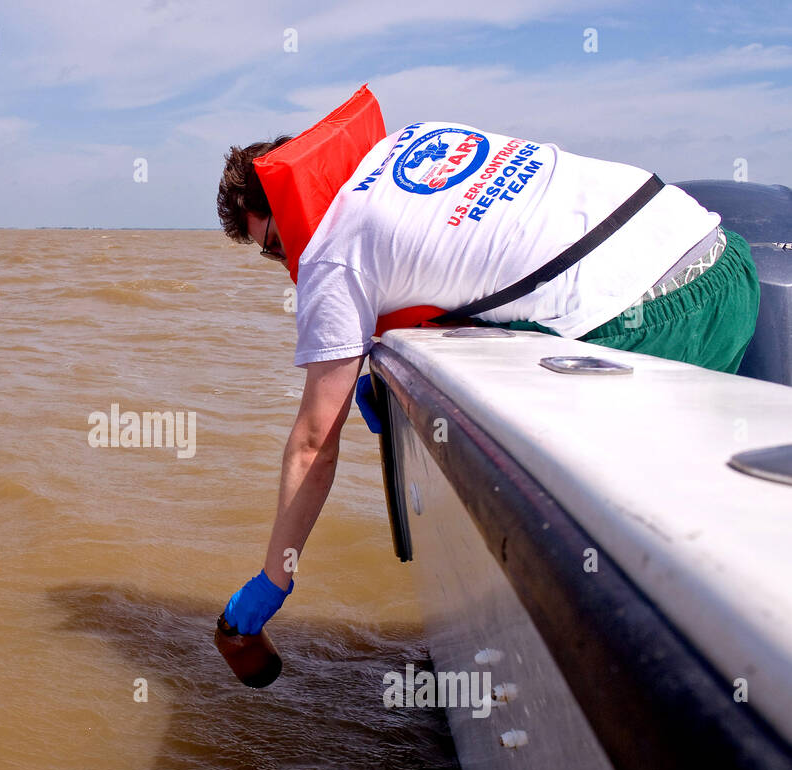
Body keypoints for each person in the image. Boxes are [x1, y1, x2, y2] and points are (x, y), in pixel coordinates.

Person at [216, 117, 761, 639]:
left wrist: (274, 577)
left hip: (650, 323)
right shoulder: (412, 143)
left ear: (290, 208)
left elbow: (314, 443)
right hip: (728, 264)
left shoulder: (331, 253)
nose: (284, 262)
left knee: (641, 546)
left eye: (274, 248)